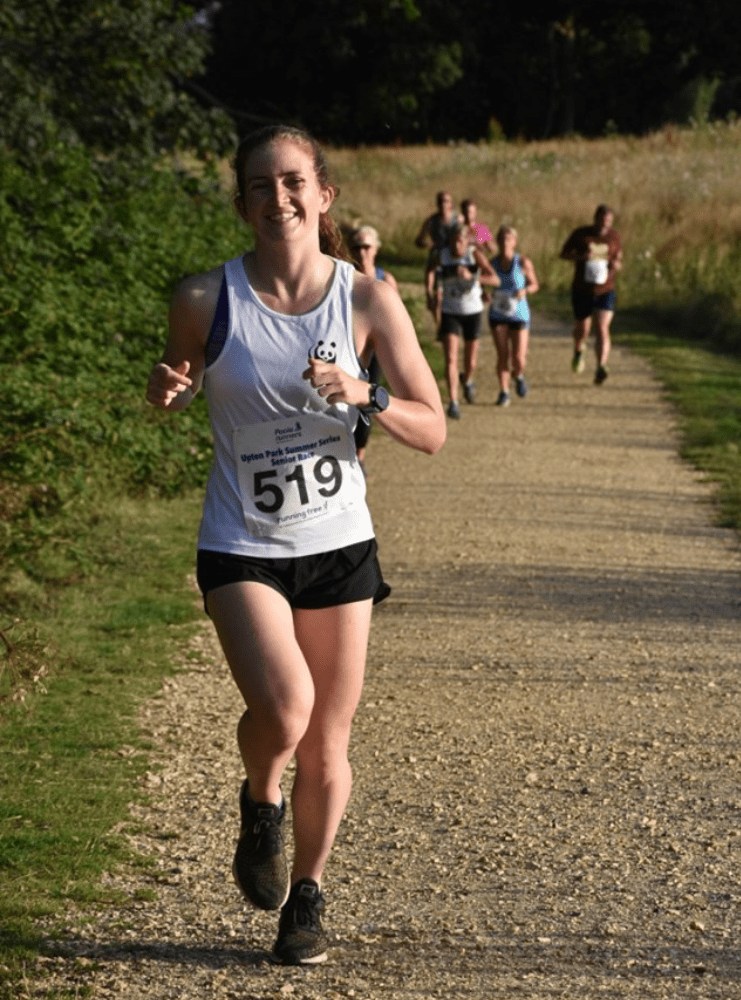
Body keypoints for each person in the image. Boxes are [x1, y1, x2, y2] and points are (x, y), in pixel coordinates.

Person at [145, 124, 445, 966]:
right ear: (240, 203)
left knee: (328, 742)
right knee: (284, 708)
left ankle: (305, 897)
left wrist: (365, 391)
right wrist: (167, 387)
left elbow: (431, 430)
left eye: (291, 182)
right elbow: (173, 378)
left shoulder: (368, 301)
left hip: (338, 543)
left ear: (323, 195)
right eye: (258, 186)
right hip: (241, 538)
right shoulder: (206, 299)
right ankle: (258, 798)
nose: (276, 198)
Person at [426, 223, 499, 418]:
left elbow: (495, 278)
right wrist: (430, 293)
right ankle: (453, 401)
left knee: (471, 363)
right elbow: (430, 271)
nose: (458, 244)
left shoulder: (476, 242)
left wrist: (473, 277)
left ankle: (466, 380)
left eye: (462, 240)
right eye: (455, 239)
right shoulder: (442, 255)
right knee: (450, 357)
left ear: (467, 240)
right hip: (450, 312)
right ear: (449, 240)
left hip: (473, 312)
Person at [348, 225, 399, 474]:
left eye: (366, 247)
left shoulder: (474, 229)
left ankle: (360, 454)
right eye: (356, 247)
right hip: (349, 348)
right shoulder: (342, 277)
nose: (361, 252)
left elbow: (397, 324)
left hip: (376, 349)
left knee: (369, 398)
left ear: (376, 249)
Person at [559, 204, 623, 384]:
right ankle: (579, 351)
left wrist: (616, 265)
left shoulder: (613, 236)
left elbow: (618, 256)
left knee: (602, 327)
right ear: (595, 218)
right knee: (583, 328)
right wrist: (581, 258)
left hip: (606, 288)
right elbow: (563, 254)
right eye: (602, 220)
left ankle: (601, 365)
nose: (604, 224)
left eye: (608, 221)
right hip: (582, 289)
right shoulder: (581, 234)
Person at [488, 225, 540, 406]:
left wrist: (525, 291)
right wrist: (486, 295)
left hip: (519, 315)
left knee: (518, 357)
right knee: (502, 355)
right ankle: (504, 391)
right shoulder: (491, 264)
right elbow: (484, 285)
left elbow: (535, 284)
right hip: (498, 314)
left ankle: (518, 375)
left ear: (515, 242)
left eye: (508, 238)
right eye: (501, 238)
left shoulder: (523, 262)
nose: (504, 242)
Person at [414, 191, 459, 327]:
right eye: (441, 201)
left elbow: (474, 228)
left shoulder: (458, 219)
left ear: (451, 204)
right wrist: (427, 244)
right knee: (438, 295)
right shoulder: (431, 221)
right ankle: (440, 326)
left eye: (446, 201)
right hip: (437, 259)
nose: (444, 204)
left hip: (454, 259)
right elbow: (418, 240)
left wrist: (483, 240)